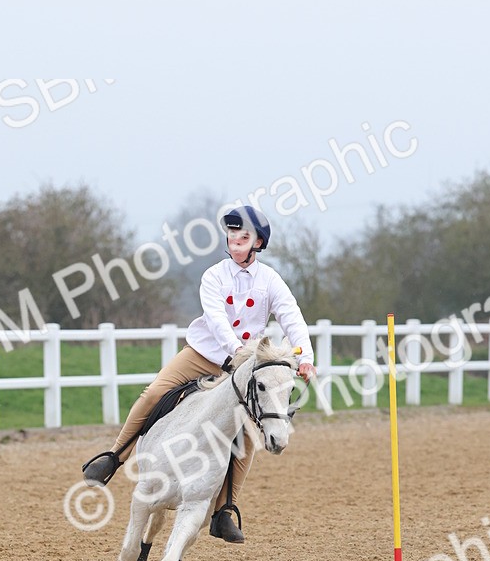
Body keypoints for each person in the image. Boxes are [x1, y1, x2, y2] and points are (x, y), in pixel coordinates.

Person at [81, 205, 317, 542]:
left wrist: (305, 357)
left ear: (259, 243)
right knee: (152, 395)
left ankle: (224, 510)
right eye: (232, 236)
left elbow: (291, 317)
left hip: (241, 370)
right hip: (203, 355)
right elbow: (217, 319)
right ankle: (113, 458)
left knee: (247, 434)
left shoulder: (271, 281)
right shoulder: (214, 276)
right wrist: (236, 350)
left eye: (244, 237)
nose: (236, 242)